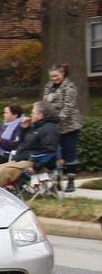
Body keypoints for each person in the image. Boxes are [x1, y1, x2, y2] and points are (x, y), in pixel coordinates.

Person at [0, 100, 60, 188]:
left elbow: (49, 151)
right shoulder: (35, 126)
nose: (31, 115)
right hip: (23, 158)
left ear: (40, 115)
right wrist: (24, 129)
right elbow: (23, 142)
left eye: (33, 113)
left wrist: (35, 166)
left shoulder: (49, 129)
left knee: (3, 171)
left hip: (36, 163)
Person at [42, 63, 81, 192]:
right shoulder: (49, 86)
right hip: (52, 126)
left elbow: (68, 107)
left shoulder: (69, 87)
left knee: (69, 153)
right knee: (54, 154)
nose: (53, 78)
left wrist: (57, 119)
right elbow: (45, 103)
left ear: (62, 74)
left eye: (56, 76)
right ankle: (56, 181)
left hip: (68, 126)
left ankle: (70, 181)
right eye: (51, 76)